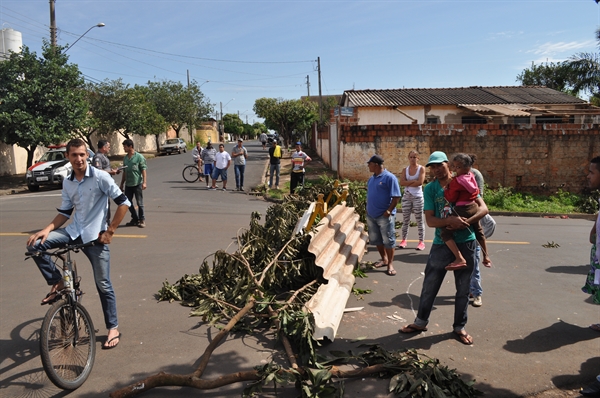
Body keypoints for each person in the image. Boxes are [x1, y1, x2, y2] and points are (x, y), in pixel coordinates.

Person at [27, 138, 130, 349]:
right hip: (73, 233)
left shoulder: (100, 177)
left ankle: (113, 327)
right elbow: (65, 213)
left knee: (104, 285)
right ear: (68, 157)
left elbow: (124, 203)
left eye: (82, 154)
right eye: (74, 155)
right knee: (35, 245)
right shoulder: (68, 181)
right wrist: (46, 229)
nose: (79, 159)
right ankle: (59, 282)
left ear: (88, 156)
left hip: (95, 238)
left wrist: (110, 231)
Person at [400, 151, 488, 345]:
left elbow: (483, 208)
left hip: (466, 241)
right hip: (442, 243)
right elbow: (430, 221)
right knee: (430, 285)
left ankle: (459, 327)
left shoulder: (465, 180)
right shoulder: (430, 189)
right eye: (432, 166)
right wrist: (450, 220)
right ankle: (421, 322)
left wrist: (465, 223)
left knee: (463, 289)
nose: (436, 169)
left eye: (440, 165)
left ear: (449, 165)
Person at [441, 153, 491, 270]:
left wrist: (446, 189)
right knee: (479, 231)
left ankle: (459, 258)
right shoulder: (471, 175)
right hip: (473, 206)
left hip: (462, 209)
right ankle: (486, 256)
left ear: (462, 167)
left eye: (456, 167)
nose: (453, 169)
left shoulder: (457, 181)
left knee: (445, 233)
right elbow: (475, 191)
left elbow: (451, 198)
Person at [366, 155, 401, 276]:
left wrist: (389, 210)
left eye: (369, 164)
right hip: (371, 215)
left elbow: (396, 196)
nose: (368, 166)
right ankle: (384, 259)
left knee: (389, 240)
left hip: (384, 216)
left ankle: (390, 263)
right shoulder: (371, 179)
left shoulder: (389, 178)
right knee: (377, 240)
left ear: (375, 164)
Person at [469, 166, 495, 307]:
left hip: (473, 238)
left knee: (474, 267)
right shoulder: (456, 197)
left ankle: (477, 293)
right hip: (461, 238)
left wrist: (486, 255)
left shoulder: (475, 201)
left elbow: (481, 233)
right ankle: (470, 290)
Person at [398, 150, 426, 251]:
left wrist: (408, 182)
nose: (413, 159)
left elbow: (420, 182)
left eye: (415, 157)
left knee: (419, 219)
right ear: (408, 158)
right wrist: (413, 181)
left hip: (417, 196)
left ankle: (421, 242)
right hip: (407, 196)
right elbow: (401, 182)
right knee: (405, 219)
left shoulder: (421, 169)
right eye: (411, 157)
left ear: (418, 158)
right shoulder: (405, 170)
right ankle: (404, 240)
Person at [119, 139, 147, 228]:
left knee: (140, 203)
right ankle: (135, 219)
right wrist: (122, 183)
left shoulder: (139, 157)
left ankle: (142, 220)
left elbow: (143, 170)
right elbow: (125, 172)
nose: (124, 148)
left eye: (125, 146)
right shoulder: (126, 158)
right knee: (128, 203)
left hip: (137, 183)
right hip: (128, 184)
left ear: (130, 146)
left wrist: (144, 182)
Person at [92, 140, 121, 225]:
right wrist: (111, 172)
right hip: (101, 185)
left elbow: (105, 169)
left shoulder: (103, 156)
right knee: (103, 204)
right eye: (108, 147)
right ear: (104, 147)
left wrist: (113, 171)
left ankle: (106, 222)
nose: (109, 148)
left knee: (107, 204)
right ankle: (104, 223)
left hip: (106, 183)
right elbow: (98, 171)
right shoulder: (98, 157)